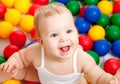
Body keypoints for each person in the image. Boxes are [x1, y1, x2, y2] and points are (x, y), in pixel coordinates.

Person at [0, 3, 120, 84]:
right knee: (19, 71)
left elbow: (98, 77)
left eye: (69, 31)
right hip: (44, 79)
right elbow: (21, 57)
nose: (63, 38)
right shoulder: (36, 52)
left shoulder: (81, 59)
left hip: (75, 83)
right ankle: (4, 73)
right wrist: (13, 62)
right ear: (42, 42)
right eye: (54, 35)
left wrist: (110, 80)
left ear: (77, 32)